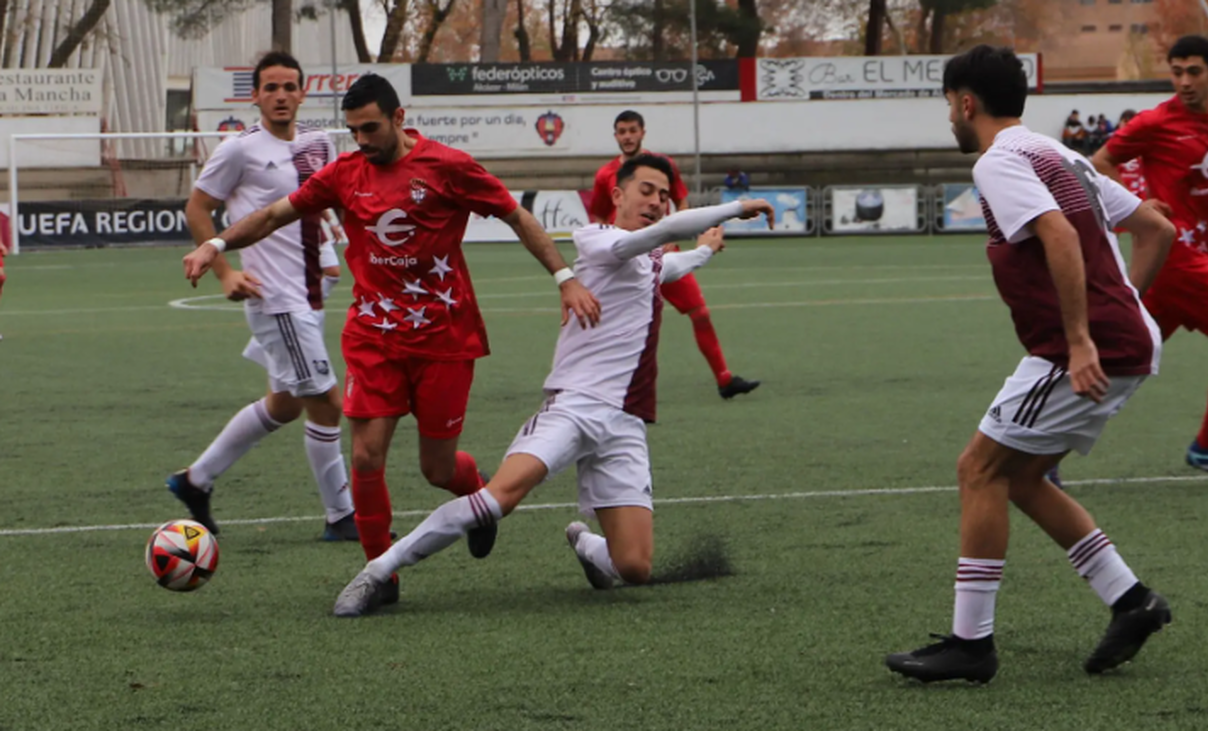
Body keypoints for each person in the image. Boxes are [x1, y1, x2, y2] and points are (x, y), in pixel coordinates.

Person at [182, 74, 602, 602]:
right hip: (374, 337)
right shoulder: (345, 172)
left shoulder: (447, 167)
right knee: (365, 456)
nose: (361, 140)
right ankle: (380, 576)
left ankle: (475, 499)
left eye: (371, 128)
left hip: (444, 339)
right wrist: (215, 244)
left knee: (437, 468)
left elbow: (514, 214)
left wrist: (565, 279)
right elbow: (272, 214)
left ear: (399, 119)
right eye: (354, 130)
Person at [331, 155, 775, 617]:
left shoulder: (646, 260)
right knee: (497, 500)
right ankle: (376, 572)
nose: (657, 201)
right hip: (575, 407)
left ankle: (584, 543)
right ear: (617, 195)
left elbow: (668, 264)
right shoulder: (599, 240)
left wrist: (704, 251)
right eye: (646, 190)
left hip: (624, 422)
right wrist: (733, 207)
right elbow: (660, 236)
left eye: (664, 195)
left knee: (635, 567)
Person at [885, 45, 1176, 685]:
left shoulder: (999, 161)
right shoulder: (1060, 154)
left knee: (979, 469)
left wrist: (1082, 338)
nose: (950, 119)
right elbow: (1158, 229)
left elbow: (1062, 236)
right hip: (1122, 340)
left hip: (1081, 349)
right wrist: (1119, 308)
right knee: (1020, 477)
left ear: (966, 103)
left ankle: (971, 645)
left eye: (948, 106)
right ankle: (1132, 603)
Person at [167, 52, 358, 541]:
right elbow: (198, 207)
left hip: (310, 294)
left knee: (285, 405)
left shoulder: (318, 143)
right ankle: (341, 517)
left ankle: (196, 480)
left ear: (302, 92)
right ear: (254, 95)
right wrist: (225, 273)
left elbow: (323, 202)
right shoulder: (239, 150)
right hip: (277, 300)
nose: (280, 95)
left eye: (288, 86)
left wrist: (332, 250)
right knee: (326, 403)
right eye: (270, 87)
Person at [1093, 35, 1208, 485]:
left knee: (1120, 362)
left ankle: (1044, 450)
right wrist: (1138, 204)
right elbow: (1100, 161)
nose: (1183, 81)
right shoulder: (1156, 122)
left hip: (1176, 265)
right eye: (1176, 72)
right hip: (1180, 260)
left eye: (1193, 71)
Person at [588, 110, 761, 400]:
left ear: (643, 132)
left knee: (699, 312)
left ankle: (724, 379)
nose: (627, 136)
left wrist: (673, 235)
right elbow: (596, 214)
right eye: (622, 131)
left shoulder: (663, 165)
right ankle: (598, 385)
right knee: (613, 324)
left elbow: (681, 200)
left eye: (632, 130)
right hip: (626, 261)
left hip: (663, 254)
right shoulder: (606, 175)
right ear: (615, 136)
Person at [1114, 110, 1148, 199]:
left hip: (1139, 189)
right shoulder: (1112, 145)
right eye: (1125, 121)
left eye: (1131, 121)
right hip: (1120, 190)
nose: (1127, 125)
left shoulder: (1144, 143)